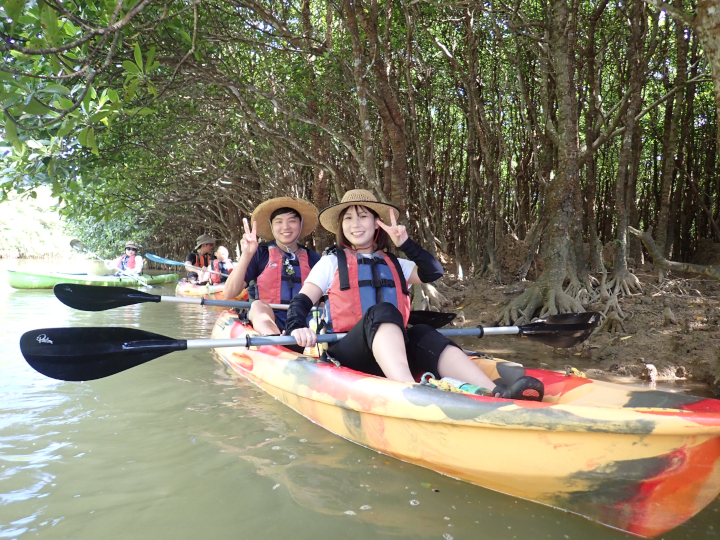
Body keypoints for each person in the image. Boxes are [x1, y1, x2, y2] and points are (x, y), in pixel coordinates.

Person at [283, 189, 543, 401]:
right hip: (351, 352)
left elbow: (434, 271)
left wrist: (406, 244)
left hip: (395, 351)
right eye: (348, 219)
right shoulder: (330, 263)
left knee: (421, 332)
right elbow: (303, 300)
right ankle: (409, 391)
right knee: (384, 311)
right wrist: (296, 326)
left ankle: (495, 392)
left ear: (377, 223)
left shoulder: (396, 263)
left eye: (362, 217)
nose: (355, 224)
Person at [223, 197, 321, 335]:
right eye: (279, 222)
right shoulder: (260, 253)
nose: (286, 227)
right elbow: (229, 293)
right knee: (257, 306)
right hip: (268, 318)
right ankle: (274, 342)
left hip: (303, 319)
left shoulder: (313, 258)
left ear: (300, 224)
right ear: (271, 226)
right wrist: (247, 255)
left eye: (292, 221)